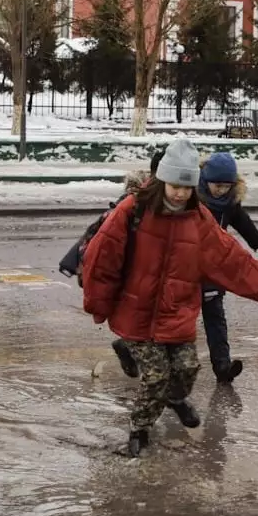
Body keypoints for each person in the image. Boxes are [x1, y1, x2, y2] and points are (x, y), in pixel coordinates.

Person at [82, 139, 258, 457]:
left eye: (186, 187)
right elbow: (103, 257)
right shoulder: (134, 209)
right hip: (137, 313)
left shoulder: (198, 218)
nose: (180, 193)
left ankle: (175, 398)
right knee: (155, 377)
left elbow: (232, 261)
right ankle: (139, 432)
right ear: (162, 180)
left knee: (188, 369)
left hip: (175, 314)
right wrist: (98, 303)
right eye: (174, 186)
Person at [59, 152, 162, 379]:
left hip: (151, 272)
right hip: (133, 272)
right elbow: (99, 238)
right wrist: (81, 267)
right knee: (149, 319)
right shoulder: (132, 205)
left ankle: (131, 349)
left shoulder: (171, 199)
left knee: (152, 319)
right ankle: (146, 366)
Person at [197, 152, 258, 384]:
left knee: (215, 317)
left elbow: (241, 219)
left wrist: (255, 240)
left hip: (214, 268)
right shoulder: (192, 199)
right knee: (174, 318)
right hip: (187, 267)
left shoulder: (229, 203)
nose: (221, 191)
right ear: (206, 181)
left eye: (226, 186)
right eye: (217, 186)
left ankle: (222, 366)